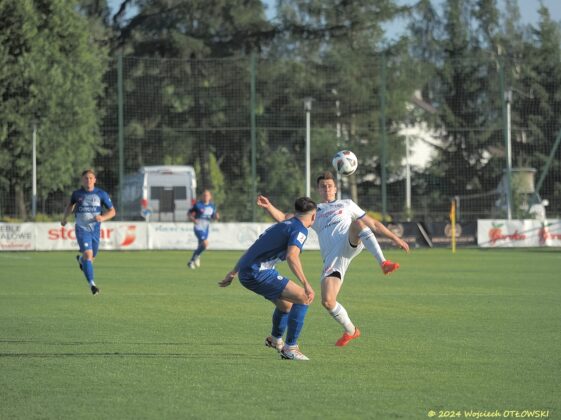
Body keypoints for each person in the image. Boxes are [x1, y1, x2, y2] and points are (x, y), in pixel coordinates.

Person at [257, 171, 409, 347]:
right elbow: (285, 218)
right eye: (323, 186)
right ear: (318, 190)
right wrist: (269, 206)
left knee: (358, 223)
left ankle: (383, 262)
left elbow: (373, 223)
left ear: (336, 189)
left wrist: (395, 238)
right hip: (333, 258)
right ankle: (351, 331)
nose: (327, 189)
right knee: (328, 301)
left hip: (349, 241)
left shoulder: (347, 204)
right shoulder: (314, 211)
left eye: (330, 186)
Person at [218, 197, 317, 360]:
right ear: (313, 216)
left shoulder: (285, 224)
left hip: (249, 270)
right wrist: (306, 283)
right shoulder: (300, 230)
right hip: (258, 272)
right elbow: (292, 256)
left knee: (286, 305)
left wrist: (234, 271)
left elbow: (253, 249)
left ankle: (275, 340)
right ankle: (290, 348)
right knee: (303, 297)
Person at [61, 169, 116, 295]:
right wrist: (64, 218)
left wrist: (102, 217)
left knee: (91, 258)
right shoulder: (77, 194)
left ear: (95, 180)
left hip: (95, 230)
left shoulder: (101, 194)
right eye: (86, 178)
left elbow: (112, 211)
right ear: (82, 180)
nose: (88, 180)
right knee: (88, 254)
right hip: (82, 229)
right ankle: (92, 285)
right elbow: (70, 206)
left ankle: (81, 260)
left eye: (91, 178)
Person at [188, 190, 219, 269]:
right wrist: (193, 219)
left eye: (207, 195)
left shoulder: (212, 206)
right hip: (198, 227)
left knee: (201, 245)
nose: (206, 197)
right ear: (202, 196)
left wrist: (216, 217)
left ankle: (196, 256)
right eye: (204, 195)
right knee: (205, 243)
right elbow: (189, 213)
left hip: (206, 228)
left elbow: (213, 217)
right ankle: (192, 260)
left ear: (210, 197)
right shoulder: (198, 205)